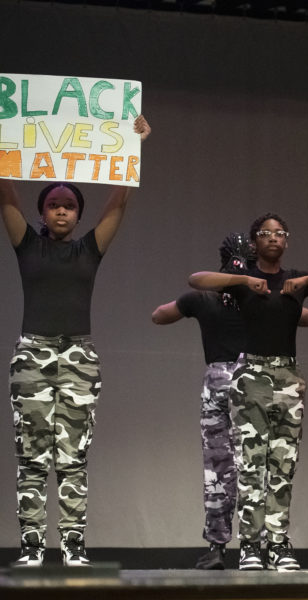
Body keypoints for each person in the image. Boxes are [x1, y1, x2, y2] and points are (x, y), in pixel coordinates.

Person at [0, 116, 151, 568]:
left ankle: (72, 546)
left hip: (78, 356)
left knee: (73, 456)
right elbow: (5, 191)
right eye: (53, 204)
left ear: (79, 214)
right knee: (31, 456)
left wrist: (134, 146)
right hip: (32, 355)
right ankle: (29, 547)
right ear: (42, 212)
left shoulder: (89, 249)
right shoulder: (27, 244)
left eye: (69, 205)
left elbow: (117, 204)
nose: (61, 211)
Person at [189, 213, 308, 571]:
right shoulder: (243, 283)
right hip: (251, 375)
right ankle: (251, 545)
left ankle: (278, 544)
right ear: (254, 242)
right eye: (266, 233)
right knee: (251, 466)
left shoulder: (295, 279)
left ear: (287, 240)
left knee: (282, 466)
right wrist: (243, 280)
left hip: (288, 377)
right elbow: (196, 279)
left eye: (280, 233)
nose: (273, 238)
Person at [151, 232, 308, 569]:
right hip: (257, 377)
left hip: (220, 381)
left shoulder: (206, 297)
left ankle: (218, 546)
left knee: (220, 467)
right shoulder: (258, 296)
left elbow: (158, 315)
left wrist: (191, 304)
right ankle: (267, 544)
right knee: (267, 462)